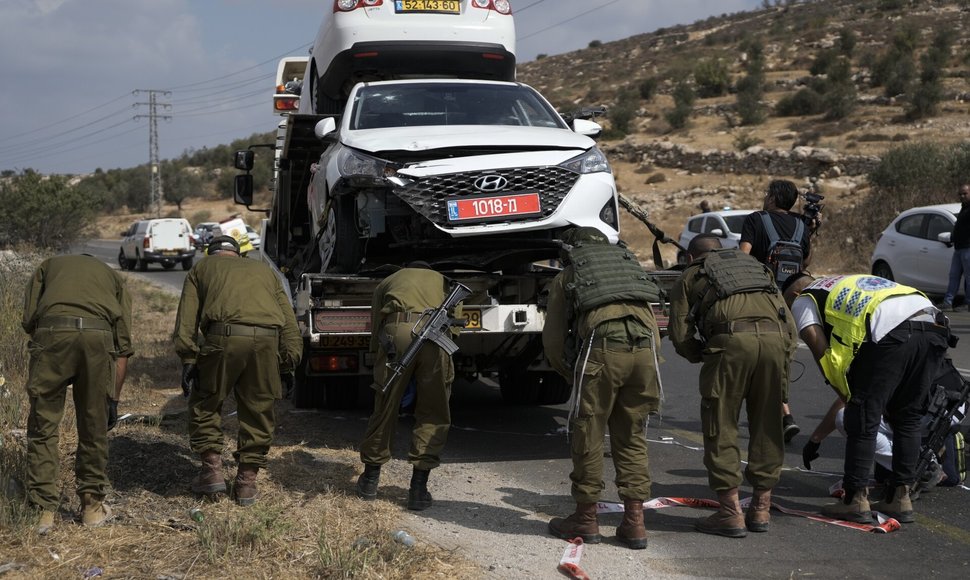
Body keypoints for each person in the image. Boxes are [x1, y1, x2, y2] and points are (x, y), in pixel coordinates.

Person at [781, 272, 949, 524]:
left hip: (893, 333)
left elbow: (820, 350)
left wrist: (848, 395)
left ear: (793, 295)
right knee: (908, 416)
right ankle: (900, 497)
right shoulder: (842, 281)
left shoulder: (805, 298)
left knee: (862, 418)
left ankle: (855, 499)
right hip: (933, 323)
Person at [668, 235, 797, 537]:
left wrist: (700, 354)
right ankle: (761, 509)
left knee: (721, 424)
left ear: (690, 257)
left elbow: (680, 333)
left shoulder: (690, 275)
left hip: (730, 343)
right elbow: (788, 323)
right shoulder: (757, 268)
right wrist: (783, 358)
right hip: (776, 343)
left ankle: (729, 513)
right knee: (768, 425)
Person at [543, 226, 663, 550]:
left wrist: (572, 372)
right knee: (633, 436)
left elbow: (553, 342)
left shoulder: (568, 275)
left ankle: (585, 518)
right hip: (645, 353)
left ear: (571, 251)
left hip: (602, 350)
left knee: (589, 432)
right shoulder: (628, 269)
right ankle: (635, 523)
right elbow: (653, 326)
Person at [173, 235, 302, 506]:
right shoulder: (264, 271)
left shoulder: (202, 268)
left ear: (212, 253)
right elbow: (289, 322)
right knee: (259, 410)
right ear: (238, 253)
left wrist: (188, 357)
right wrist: (288, 362)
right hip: (267, 341)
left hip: (223, 337)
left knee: (206, 403)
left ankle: (212, 473)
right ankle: (246, 483)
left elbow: (187, 318)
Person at [22, 254, 133, 534]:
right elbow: (123, 345)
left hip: (53, 335)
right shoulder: (111, 275)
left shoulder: (47, 266)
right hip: (97, 340)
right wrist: (113, 400)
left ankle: (43, 510)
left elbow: (28, 319)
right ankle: (92, 507)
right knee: (93, 425)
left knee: (43, 425)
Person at [355, 263, 464, 511]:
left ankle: (370, 481)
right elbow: (456, 324)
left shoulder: (390, 280)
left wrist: (377, 352)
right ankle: (418, 488)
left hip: (398, 333)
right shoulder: (444, 281)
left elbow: (377, 321)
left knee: (385, 408)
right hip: (436, 338)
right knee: (433, 412)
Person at [739, 179, 813, 444]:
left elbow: (744, 256)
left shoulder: (755, 220)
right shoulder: (802, 224)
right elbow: (805, 262)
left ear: (771, 198)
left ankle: (778, 414)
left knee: (757, 357)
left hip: (761, 300)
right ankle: (784, 413)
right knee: (781, 358)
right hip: (791, 300)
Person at [941, 184, 970, 311]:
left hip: (968, 248)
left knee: (969, 278)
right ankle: (948, 302)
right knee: (953, 275)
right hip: (958, 249)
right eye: (960, 194)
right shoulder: (963, 208)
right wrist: (952, 238)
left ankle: (968, 303)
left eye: (965, 193)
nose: (962, 196)